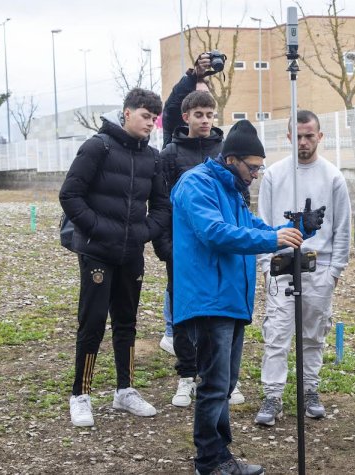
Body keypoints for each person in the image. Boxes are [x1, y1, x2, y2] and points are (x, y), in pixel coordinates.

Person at [171, 119, 309, 475]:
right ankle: (209, 461)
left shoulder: (232, 190)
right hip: (208, 298)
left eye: (259, 168)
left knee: (226, 384)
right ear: (231, 159)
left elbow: (255, 228)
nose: (256, 175)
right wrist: (274, 240)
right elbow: (215, 233)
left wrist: (297, 229)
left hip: (230, 297)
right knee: (215, 384)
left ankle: (222, 455)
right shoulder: (196, 184)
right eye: (253, 167)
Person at [59, 88, 169, 427]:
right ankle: (81, 393)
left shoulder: (152, 158)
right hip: (97, 253)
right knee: (92, 323)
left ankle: (125, 390)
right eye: (144, 115)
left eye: (154, 118)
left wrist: (143, 233)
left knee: (127, 322)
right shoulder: (98, 147)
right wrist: (98, 230)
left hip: (131, 254)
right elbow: (71, 195)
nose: (150, 123)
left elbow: (163, 206)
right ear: (126, 113)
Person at [254, 110, 351, 426]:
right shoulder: (274, 175)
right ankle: (272, 395)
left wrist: (334, 270)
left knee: (313, 333)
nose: (304, 142)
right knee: (278, 332)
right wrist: (266, 266)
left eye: (310, 135)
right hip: (281, 266)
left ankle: (310, 389)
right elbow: (264, 223)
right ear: (288, 137)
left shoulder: (333, 177)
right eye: (298, 136)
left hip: (318, 266)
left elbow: (341, 228)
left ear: (320, 136)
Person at [151, 90, 224, 408]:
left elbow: (237, 199)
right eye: (199, 115)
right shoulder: (170, 154)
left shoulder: (224, 151)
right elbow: (161, 203)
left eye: (209, 114)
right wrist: (166, 247)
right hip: (182, 252)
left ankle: (219, 376)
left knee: (218, 313)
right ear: (186, 118)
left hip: (218, 248)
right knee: (183, 316)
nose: (205, 120)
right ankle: (186, 376)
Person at [161, 52, 216, 147]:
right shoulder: (175, 119)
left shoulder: (217, 142)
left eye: (206, 94)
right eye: (197, 94)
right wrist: (194, 75)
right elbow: (174, 102)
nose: (203, 99)